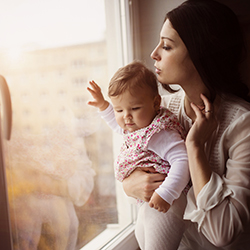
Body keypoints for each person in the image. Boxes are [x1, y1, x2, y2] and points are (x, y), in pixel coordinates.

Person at [122, 0, 250, 249]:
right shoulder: (162, 110)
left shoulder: (242, 125)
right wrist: (130, 185)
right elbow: (133, 157)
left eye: (167, 46)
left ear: (200, 53)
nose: (154, 53)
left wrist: (194, 147)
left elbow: (222, 234)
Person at [87, 61, 190, 249]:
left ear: (156, 103)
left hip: (170, 201)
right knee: (142, 240)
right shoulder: (138, 125)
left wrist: (167, 193)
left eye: (134, 109)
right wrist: (103, 105)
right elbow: (117, 124)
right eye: (119, 110)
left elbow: (183, 161)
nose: (126, 116)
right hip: (151, 201)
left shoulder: (160, 132)